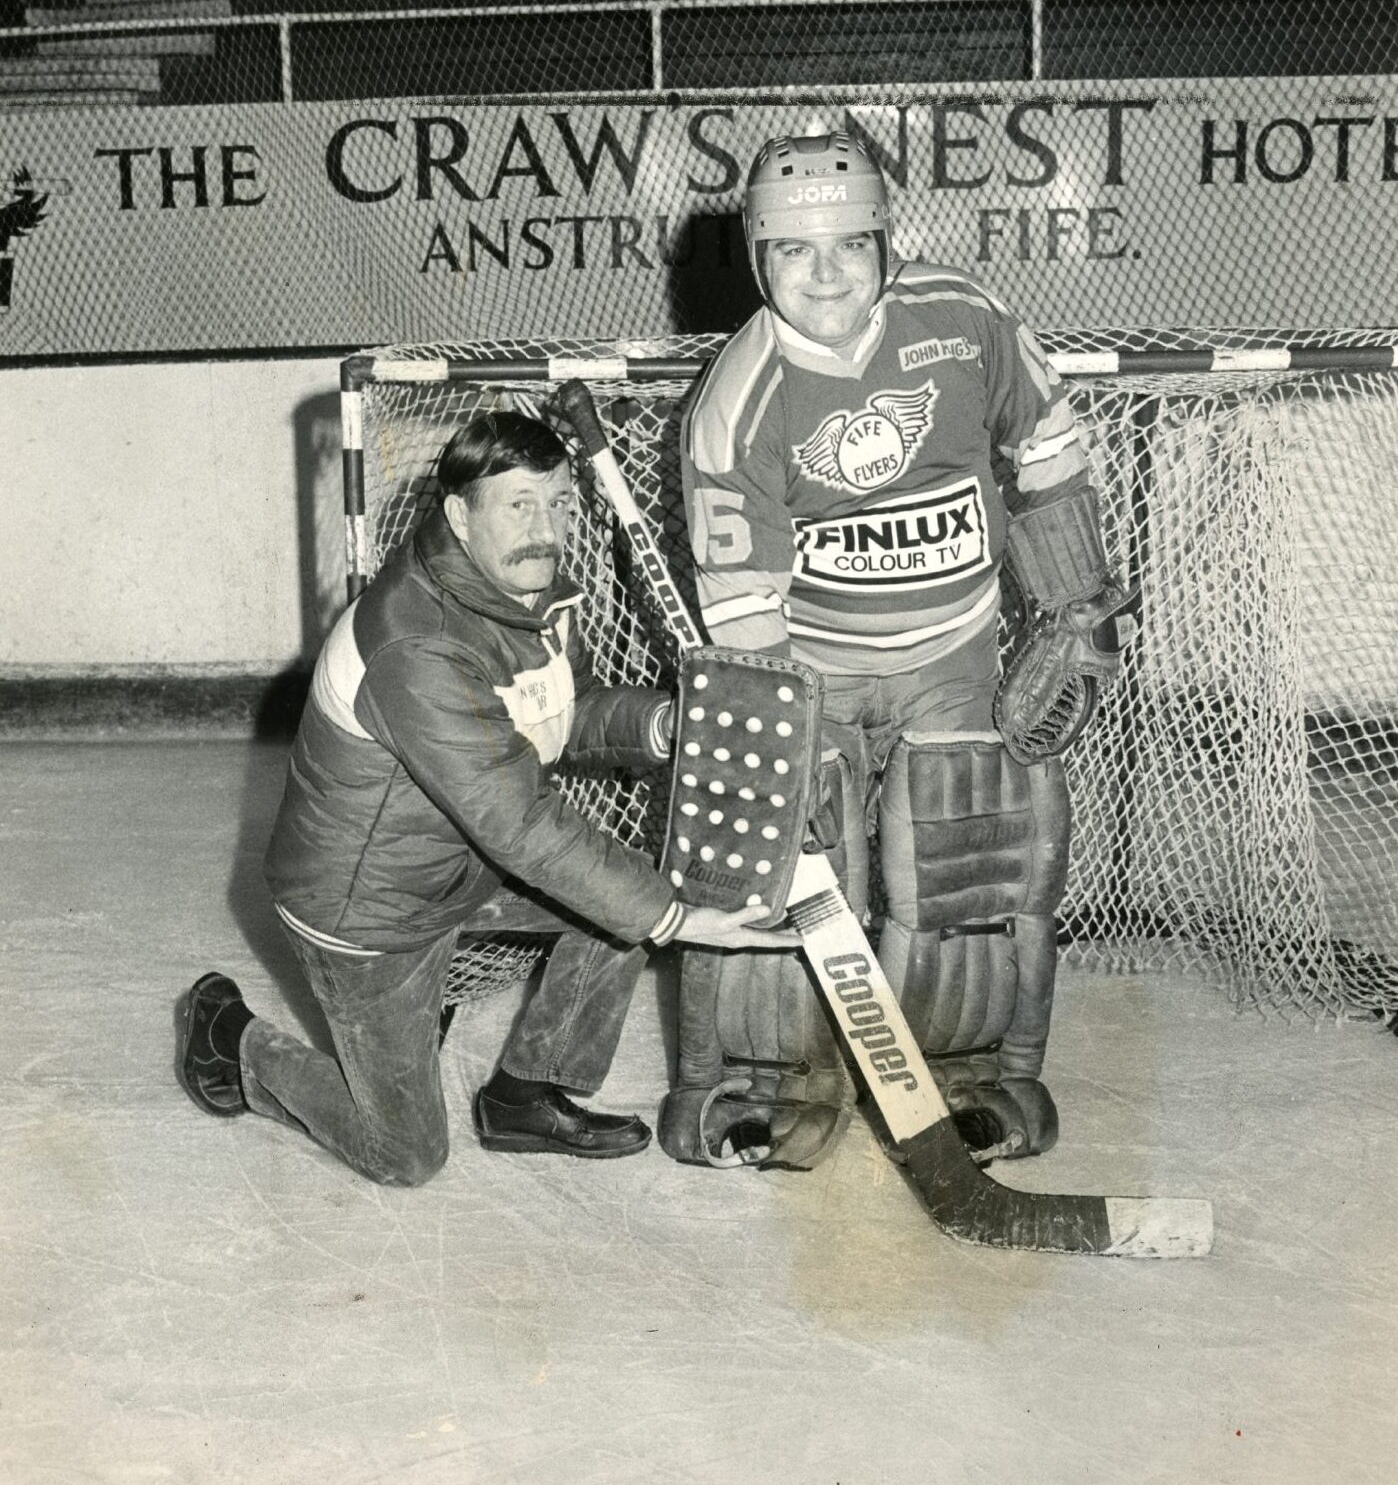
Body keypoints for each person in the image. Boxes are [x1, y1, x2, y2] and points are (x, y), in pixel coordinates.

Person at [177, 409, 789, 1184]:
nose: (546, 526)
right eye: (519, 504)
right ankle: (234, 1041)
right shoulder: (417, 643)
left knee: (621, 905)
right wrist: (673, 916)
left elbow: (561, 714)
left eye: (560, 503)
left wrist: (663, 723)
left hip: (455, 868)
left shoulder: (528, 596)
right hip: (368, 914)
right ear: (460, 516)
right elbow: (520, 821)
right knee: (406, 1156)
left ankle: (525, 1096)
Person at [674, 129, 1121, 1167]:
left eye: (847, 246)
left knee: (969, 861)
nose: (824, 273)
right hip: (815, 665)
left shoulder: (962, 320)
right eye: (793, 250)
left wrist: (1076, 610)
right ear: (757, 257)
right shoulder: (736, 408)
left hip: (952, 652)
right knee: (786, 868)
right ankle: (764, 1076)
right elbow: (749, 616)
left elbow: (1048, 454)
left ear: (886, 242)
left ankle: (976, 1072)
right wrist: (783, 744)